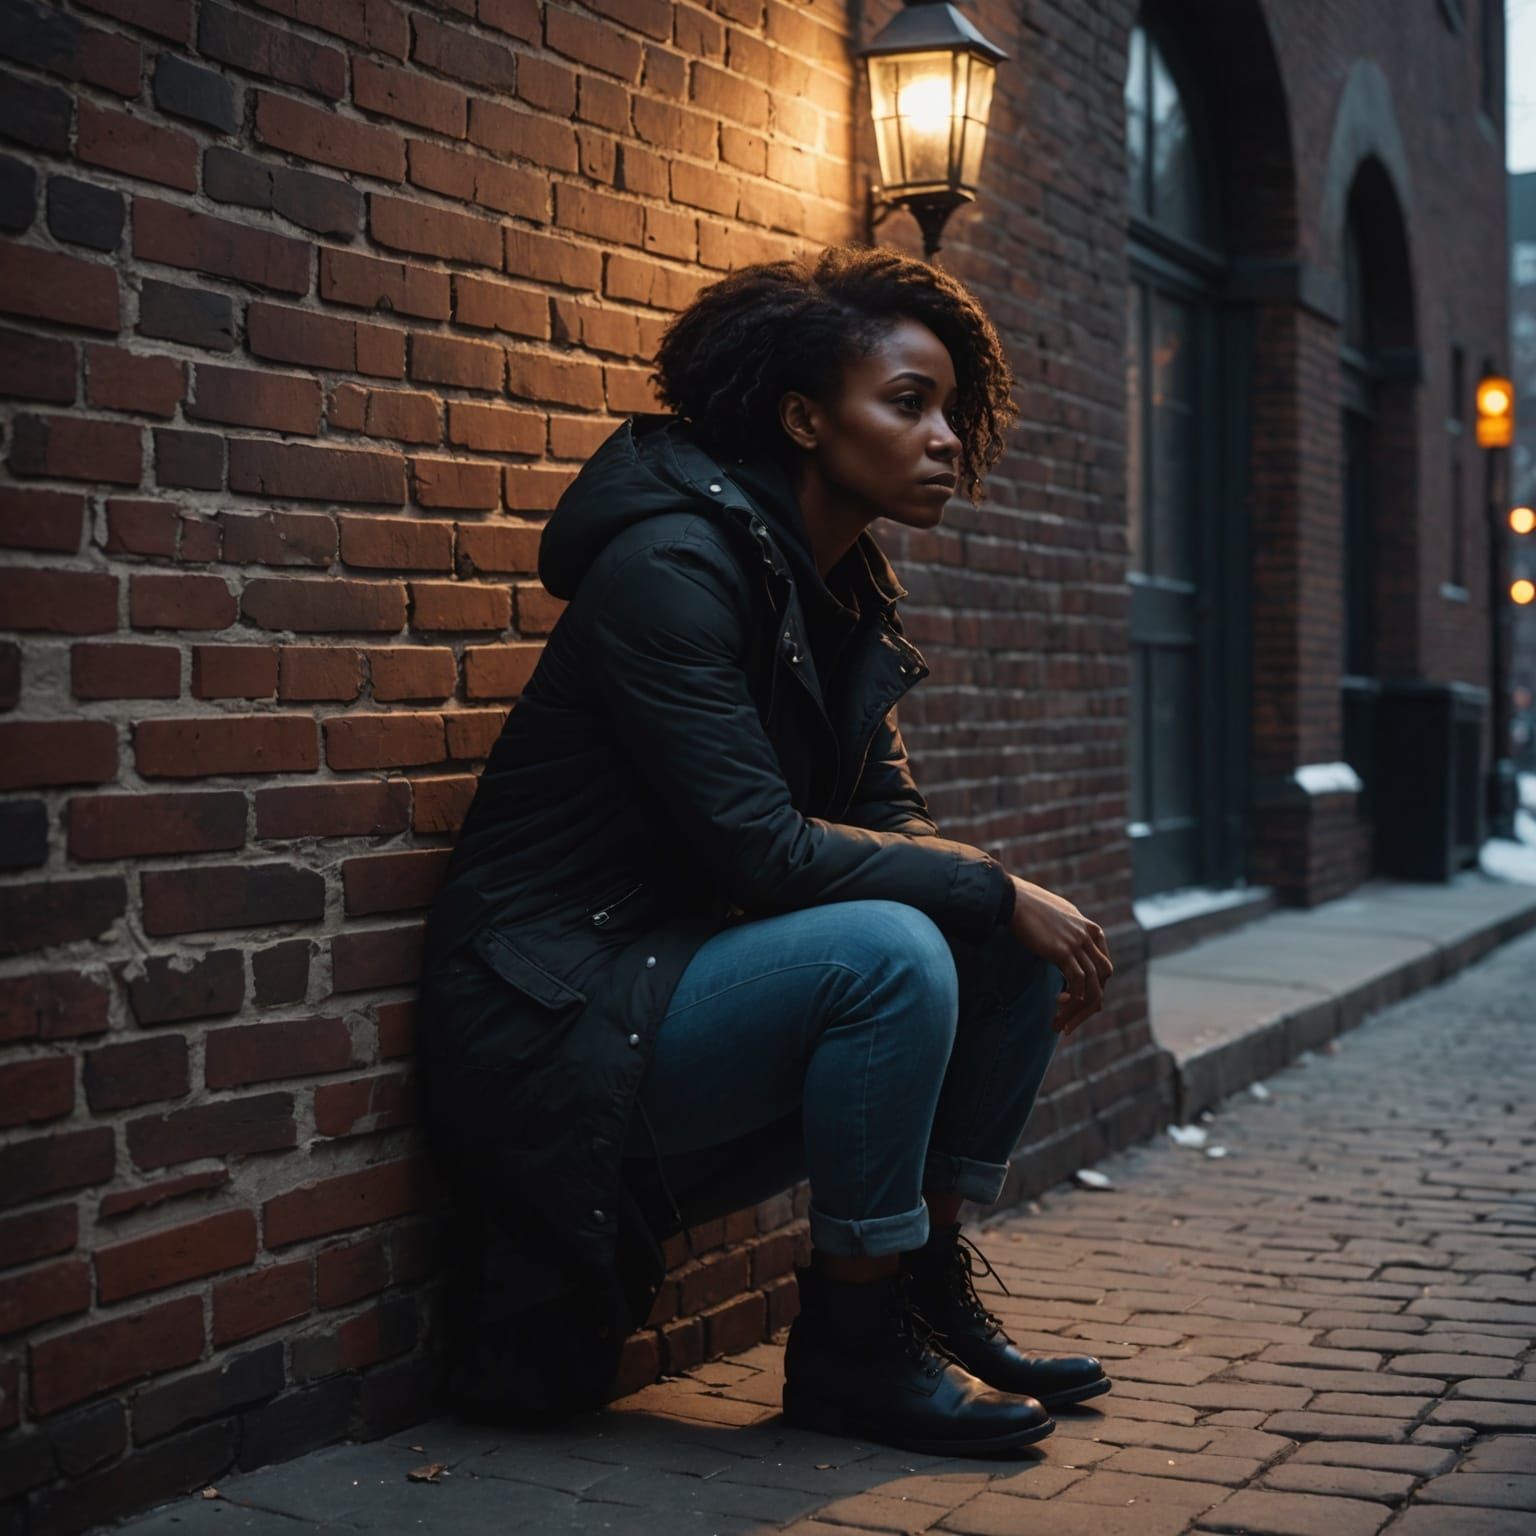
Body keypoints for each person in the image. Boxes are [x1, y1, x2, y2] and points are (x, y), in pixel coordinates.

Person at [415, 243, 1116, 1459]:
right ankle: (852, 1351)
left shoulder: (839, 590)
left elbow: (889, 820)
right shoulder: (671, 571)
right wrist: (991, 886)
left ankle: (916, 1293)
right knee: (898, 947)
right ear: (803, 418)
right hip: (556, 1013)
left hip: (671, 981)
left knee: (992, 943)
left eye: (951, 409)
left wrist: (993, 908)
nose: (946, 438)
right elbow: (762, 852)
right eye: (910, 404)